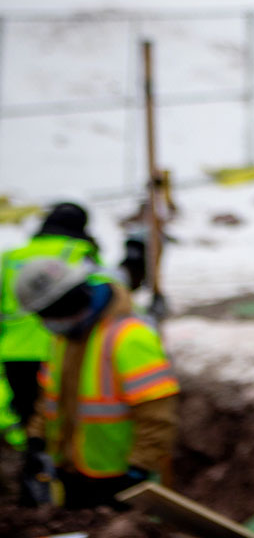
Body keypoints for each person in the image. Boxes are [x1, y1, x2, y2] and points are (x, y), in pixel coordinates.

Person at [16, 256, 178, 508]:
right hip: (70, 469)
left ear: (66, 303)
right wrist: (37, 440)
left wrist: (139, 468)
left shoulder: (129, 338)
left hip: (116, 476)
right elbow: (49, 398)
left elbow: (156, 415)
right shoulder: (64, 340)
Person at [0, 201, 101, 502]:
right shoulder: (77, 252)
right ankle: (65, 486)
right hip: (59, 350)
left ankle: (32, 482)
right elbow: (99, 298)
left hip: (14, 355)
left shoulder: (10, 258)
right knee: (63, 419)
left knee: (27, 425)